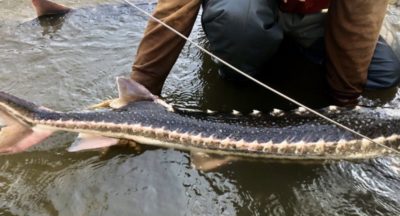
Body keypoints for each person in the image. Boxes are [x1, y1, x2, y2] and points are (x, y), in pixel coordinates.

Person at [31, 0, 400, 107]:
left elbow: (358, 21)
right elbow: (175, 9)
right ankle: (241, 66)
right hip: (248, 9)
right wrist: (141, 91)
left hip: (313, 17)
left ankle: (277, 46)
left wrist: (345, 101)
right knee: (240, 25)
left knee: (382, 76)